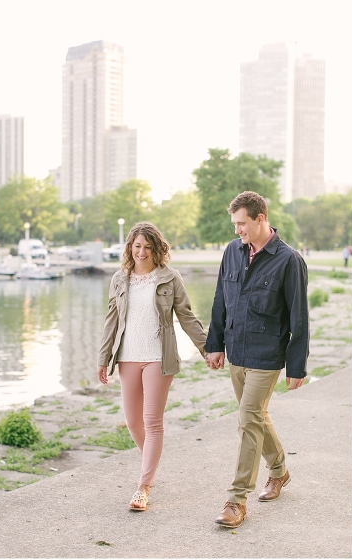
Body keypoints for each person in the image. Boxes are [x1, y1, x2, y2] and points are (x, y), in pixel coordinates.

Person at [205, 191, 308, 529]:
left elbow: (299, 317)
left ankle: (236, 500)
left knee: (248, 417)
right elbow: (221, 300)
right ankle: (280, 471)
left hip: (267, 355)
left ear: (261, 218)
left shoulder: (288, 260)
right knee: (256, 417)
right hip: (236, 350)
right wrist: (215, 344)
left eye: (242, 223)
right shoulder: (231, 253)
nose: (237, 231)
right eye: (234, 224)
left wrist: (296, 365)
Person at [97, 222, 207, 512]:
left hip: (159, 356)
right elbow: (111, 320)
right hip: (127, 357)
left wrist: (206, 348)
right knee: (133, 422)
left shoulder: (170, 278)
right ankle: (151, 467)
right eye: (137, 246)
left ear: (157, 249)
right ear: (130, 248)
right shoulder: (121, 279)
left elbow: (186, 316)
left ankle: (143, 486)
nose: (141, 252)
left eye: (147, 246)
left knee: (152, 422)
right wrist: (102, 357)